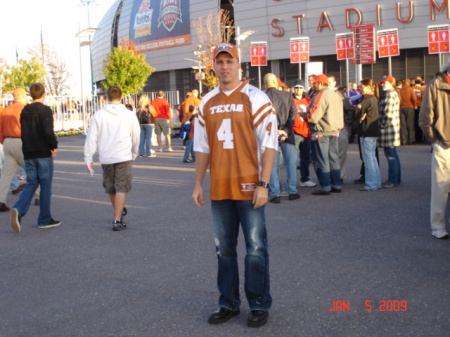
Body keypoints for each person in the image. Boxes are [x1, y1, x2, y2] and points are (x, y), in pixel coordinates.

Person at [192, 42, 277, 328]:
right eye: (220, 62)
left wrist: (264, 183)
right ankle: (227, 301)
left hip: (250, 185)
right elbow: (202, 146)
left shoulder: (256, 97)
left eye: (230, 61)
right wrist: (198, 184)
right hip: (220, 187)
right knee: (223, 248)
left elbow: (269, 144)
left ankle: (258, 303)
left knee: (255, 248)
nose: (225, 66)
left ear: (239, 65)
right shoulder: (207, 102)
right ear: (213, 66)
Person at [84, 85, 140, 231]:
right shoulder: (129, 114)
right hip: (123, 155)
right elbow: (136, 134)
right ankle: (117, 219)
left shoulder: (99, 115)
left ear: (107, 97)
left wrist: (88, 157)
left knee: (111, 187)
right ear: (121, 97)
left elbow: (92, 137)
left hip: (106, 156)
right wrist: (135, 151)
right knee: (121, 186)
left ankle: (118, 210)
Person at [10, 83, 60, 232]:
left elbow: (24, 132)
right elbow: (47, 130)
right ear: (43, 94)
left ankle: (19, 209)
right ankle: (44, 219)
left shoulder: (25, 110)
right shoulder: (45, 110)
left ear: (31, 95)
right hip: (43, 152)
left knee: (31, 183)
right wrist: (53, 146)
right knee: (45, 186)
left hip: (29, 152)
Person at [419, 65, 450, 239]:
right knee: (440, 186)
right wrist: (434, 138)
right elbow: (425, 116)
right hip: (444, 141)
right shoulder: (436, 84)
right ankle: (438, 225)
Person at [305, 74, 344, 195]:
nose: (313, 85)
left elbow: (313, 116)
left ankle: (325, 186)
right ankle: (336, 184)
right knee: (333, 158)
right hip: (334, 130)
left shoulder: (320, 95)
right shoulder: (336, 94)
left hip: (321, 131)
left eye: (315, 83)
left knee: (322, 160)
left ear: (321, 84)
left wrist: (304, 116)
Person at [264, 73, 300, 203]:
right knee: (290, 163)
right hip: (287, 134)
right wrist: (285, 131)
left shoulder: (262, 97)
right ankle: (292, 191)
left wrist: (274, 131)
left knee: (272, 165)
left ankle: (275, 193)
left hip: (269, 136)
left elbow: (260, 118)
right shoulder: (287, 95)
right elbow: (293, 115)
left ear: (265, 83)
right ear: (275, 81)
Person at [0, 88, 28, 212]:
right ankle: (39, 197)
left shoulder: (5, 110)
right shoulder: (24, 109)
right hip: (21, 141)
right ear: (22, 96)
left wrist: (4, 141)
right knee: (32, 170)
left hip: (7, 142)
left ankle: (1, 201)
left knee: (6, 174)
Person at [355, 79, 381, 191]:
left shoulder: (366, 100)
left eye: (362, 87)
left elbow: (357, 115)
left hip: (366, 131)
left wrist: (358, 109)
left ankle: (371, 184)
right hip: (372, 131)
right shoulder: (374, 99)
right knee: (372, 158)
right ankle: (376, 182)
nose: (360, 88)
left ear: (369, 87)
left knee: (368, 159)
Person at [378, 76, 401, 188]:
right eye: (382, 83)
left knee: (391, 155)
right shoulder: (391, 94)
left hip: (388, 130)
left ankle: (393, 180)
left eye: (385, 83)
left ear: (392, 83)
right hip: (391, 129)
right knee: (393, 154)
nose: (383, 85)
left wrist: (380, 125)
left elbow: (387, 115)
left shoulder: (390, 95)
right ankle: (396, 178)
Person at [291, 79, 316, 187]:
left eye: (300, 87)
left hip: (307, 132)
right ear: (293, 88)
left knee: (305, 158)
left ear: (303, 89)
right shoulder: (290, 99)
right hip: (295, 132)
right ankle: (291, 181)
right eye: (296, 87)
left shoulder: (308, 100)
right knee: (293, 159)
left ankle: (304, 179)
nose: (298, 89)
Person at [399, 79, 416, 145]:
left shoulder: (400, 91)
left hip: (401, 108)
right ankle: (411, 140)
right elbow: (414, 98)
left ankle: (403, 140)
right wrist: (414, 105)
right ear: (408, 83)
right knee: (410, 124)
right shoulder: (410, 90)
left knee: (402, 125)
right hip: (410, 107)